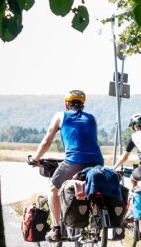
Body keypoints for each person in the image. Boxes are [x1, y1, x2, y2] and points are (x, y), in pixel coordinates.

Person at [31, 90, 105, 239]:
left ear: (66, 104)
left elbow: (47, 141)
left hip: (74, 161)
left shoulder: (60, 116)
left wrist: (36, 158)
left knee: (53, 188)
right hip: (97, 161)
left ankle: (56, 229)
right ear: (83, 105)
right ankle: (94, 223)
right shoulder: (91, 118)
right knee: (90, 187)